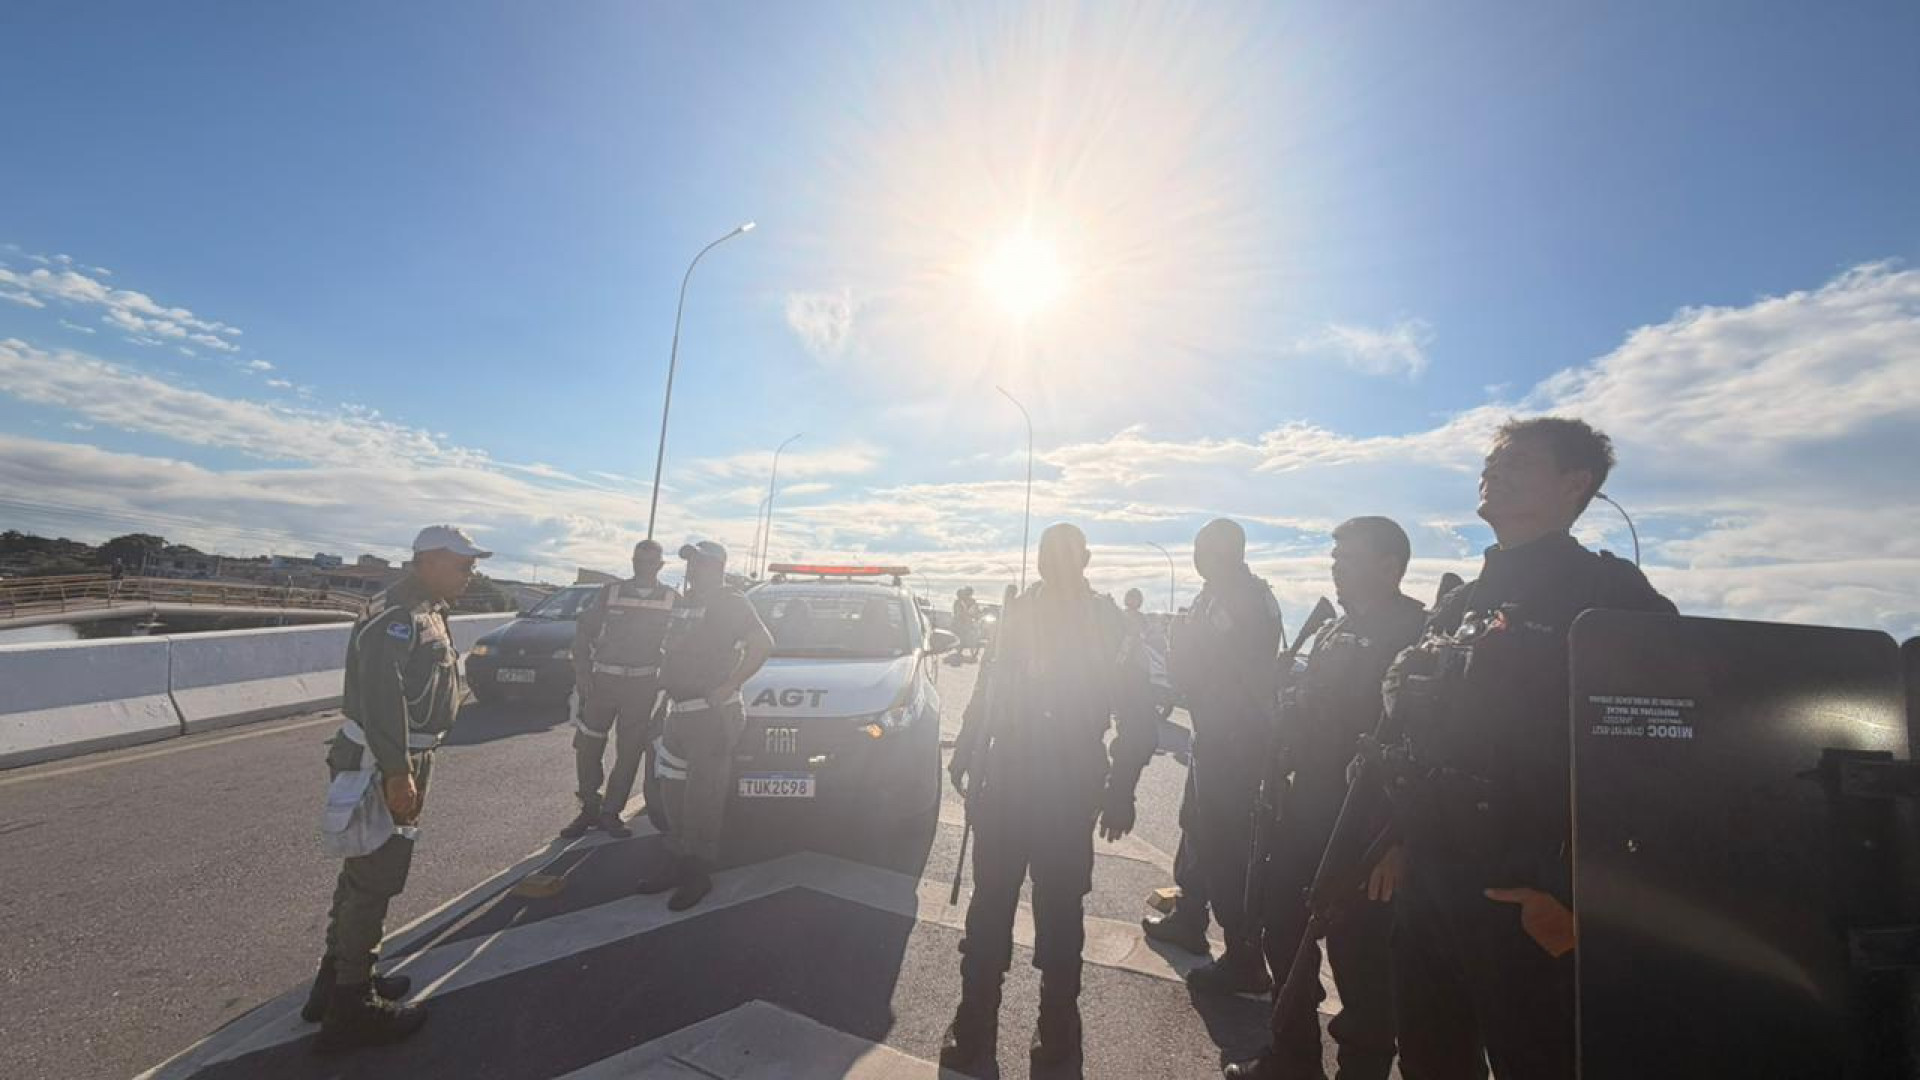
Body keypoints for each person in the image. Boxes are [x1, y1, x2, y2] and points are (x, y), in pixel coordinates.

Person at [1383, 417, 1676, 1080]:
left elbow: (1658, 761)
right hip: (1431, 880)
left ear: (1575, 484)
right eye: (1492, 460)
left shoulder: (1610, 597)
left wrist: (1579, 901)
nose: (1495, 471)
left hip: (1528, 891)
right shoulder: (1460, 603)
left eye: (1518, 462)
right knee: (1429, 1059)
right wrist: (1395, 843)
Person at [940, 523, 1161, 1070]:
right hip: (1006, 780)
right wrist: (966, 747)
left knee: (1060, 913)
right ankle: (976, 1024)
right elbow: (987, 687)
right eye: (1045, 553)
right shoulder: (1017, 612)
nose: (1052, 563)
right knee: (990, 908)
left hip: (1068, 786)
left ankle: (1058, 1031)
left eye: (1064, 554)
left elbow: (1139, 717)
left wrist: (1122, 790)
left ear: (1086, 559)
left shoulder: (1109, 621)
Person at [1225, 517, 1427, 1080]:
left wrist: (1397, 841)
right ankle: (1293, 1060)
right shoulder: (1336, 629)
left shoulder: (1415, 634)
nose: (1336, 568)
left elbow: (1424, 744)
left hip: (1367, 829)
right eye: (1335, 558)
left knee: (1363, 964)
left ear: (1389, 566)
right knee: (1283, 929)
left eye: (1349, 558)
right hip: (1307, 811)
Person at [305, 525, 489, 1052]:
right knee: (375, 879)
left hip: (392, 754)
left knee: (361, 872)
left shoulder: (425, 608)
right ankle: (352, 1008)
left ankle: (337, 979)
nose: (471, 573)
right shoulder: (400, 617)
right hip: (385, 757)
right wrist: (397, 771)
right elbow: (384, 698)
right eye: (463, 564)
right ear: (428, 561)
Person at [1170, 518, 1285, 994]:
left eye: (1204, 549)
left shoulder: (1239, 598)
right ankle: (1188, 915)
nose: (1197, 557)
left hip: (1234, 737)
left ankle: (1244, 954)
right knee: (1196, 825)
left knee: (1226, 845)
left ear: (1226, 551)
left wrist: (1181, 646)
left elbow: (1214, 666)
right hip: (1217, 730)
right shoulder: (1225, 593)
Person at [635, 540, 773, 911]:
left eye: (700, 563)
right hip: (678, 713)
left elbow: (762, 644)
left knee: (703, 798)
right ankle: (678, 861)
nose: (692, 569)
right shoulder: (687, 601)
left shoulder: (731, 602)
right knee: (673, 794)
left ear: (718, 567)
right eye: (690, 562)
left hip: (710, 716)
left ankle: (697, 872)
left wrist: (730, 684)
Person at [561, 539, 678, 839]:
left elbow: (682, 643)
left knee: (629, 752)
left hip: (642, 685)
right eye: (638, 561)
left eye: (649, 562)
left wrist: (668, 681)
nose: (643, 567)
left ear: (660, 565)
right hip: (603, 682)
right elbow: (584, 633)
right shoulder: (610, 592)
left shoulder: (671, 598)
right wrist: (582, 672)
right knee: (588, 745)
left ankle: (611, 813)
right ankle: (589, 807)